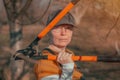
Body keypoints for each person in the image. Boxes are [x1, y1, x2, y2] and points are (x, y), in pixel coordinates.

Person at [34, 9, 85, 80]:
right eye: (58, 28)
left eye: (68, 28)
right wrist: (67, 67)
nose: (63, 33)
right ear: (48, 32)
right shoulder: (44, 61)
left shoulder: (69, 54)